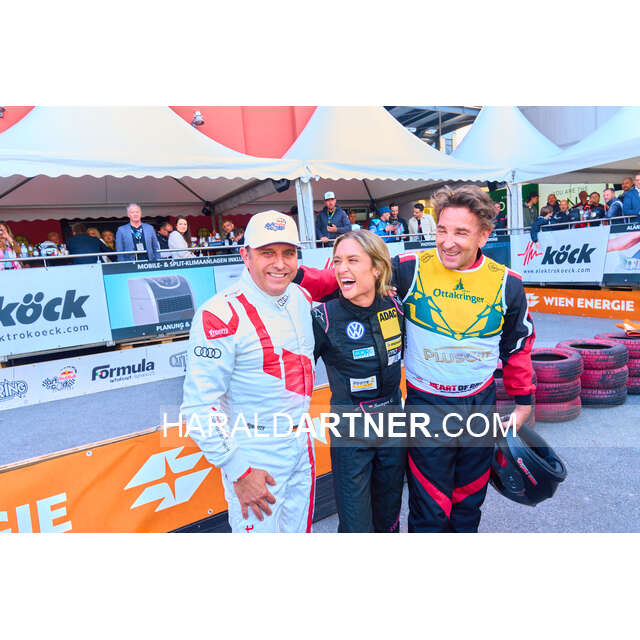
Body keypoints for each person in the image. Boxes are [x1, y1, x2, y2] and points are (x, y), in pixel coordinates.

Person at [295, 185, 535, 534]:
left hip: (479, 404)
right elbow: (349, 276)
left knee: (469, 503)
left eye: (461, 233)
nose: (447, 242)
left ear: (484, 235)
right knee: (430, 508)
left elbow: (517, 346)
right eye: (442, 230)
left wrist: (524, 401)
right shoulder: (410, 267)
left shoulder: (508, 283)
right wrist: (292, 274)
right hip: (427, 404)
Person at [180, 210, 316, 533]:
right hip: (254, 451)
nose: (280, 263)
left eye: (288, 253)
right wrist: (238, 471)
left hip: (301, 441)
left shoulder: (300, 297)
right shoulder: (219, 313)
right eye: (267, 253)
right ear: (245, 256)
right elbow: (198, 408)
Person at [312, 230, 406, 532]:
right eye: (338, 261)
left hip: (393, 425)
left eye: (352, 260)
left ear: (376, 268)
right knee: (356, 525)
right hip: (350, 432)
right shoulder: (323, 317)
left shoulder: (396, 306)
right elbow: (291, 376)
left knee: (389, 518)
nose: (342, 269)